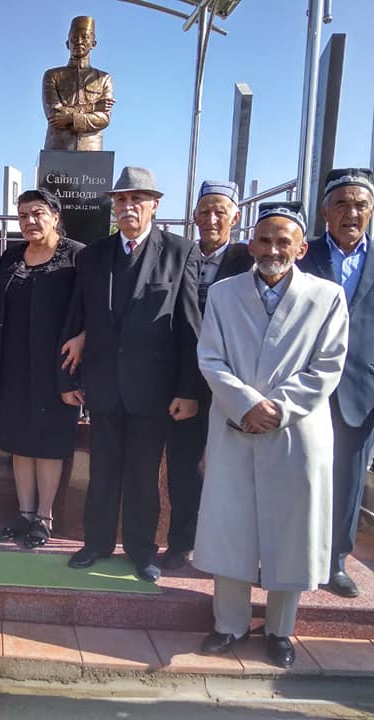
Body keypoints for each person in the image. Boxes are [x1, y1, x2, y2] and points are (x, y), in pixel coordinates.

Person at [194, 201, 349, 668]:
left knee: (292, 530)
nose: (273, 249)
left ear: (301, 249)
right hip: (235, 424)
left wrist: (277, 408)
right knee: (231, 526)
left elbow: (328, 366)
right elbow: (210, 358)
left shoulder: (327, 296)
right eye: (264, 240)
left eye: (284, 241)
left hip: (296, 430)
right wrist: (246, 404)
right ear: (250, 244)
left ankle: (280, 629)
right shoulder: (223, 294)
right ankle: (229, 624)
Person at [61, 166, 201, 582]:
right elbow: (77, 319)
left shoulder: (180, 252)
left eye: (136, 199)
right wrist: (69, 378)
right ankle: (96, 543)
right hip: (103, 386)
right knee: (102, 472)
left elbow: (190, 328)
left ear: (154, 205)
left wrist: (188, 389)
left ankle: (141, 551)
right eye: (121, 200)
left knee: (143, 476)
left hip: (152, 390)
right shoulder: (93, 255)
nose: (127, 207)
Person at [296, 168, 374, 598]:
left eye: (360, 204)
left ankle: (335, 562)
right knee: (296, 475)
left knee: (347, 481)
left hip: (362, 391)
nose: (351, 213)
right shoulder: (301, 254)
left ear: (372, 210)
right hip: (302, 386)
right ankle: (289, 557)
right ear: (325, 211)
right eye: (342, 204)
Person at [162, 181, 253, 570]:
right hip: (185, 381)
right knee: (182, 466)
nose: (211, 219)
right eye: (204, 211)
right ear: (194, 217)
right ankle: (181, 540)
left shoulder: (249, 258)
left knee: (231, 468)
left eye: (220, 211)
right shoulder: (179, 256)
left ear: (236, 216)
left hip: (234, 382)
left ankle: (230, 546)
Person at [0, 189, 83, 548]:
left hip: (56, 365)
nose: (30, 221)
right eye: (23, 215)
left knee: (47, 442)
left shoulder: (77, 256)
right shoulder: (11, 257)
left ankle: (44, 517)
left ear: (55, 216)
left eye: (38, 213)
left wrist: (84, 338)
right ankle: (24, 513)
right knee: (19, 439)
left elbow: (95, 307)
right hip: (13, 363)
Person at [42, 15, 114, 151]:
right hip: (58, 147)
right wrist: (93, 107)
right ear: (67, 44)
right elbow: (54, 114)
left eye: (85, 37)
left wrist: (70, 118)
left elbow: (104, 118)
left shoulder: (103, 78)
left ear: (93, 43)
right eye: (74, 37)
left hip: (91, 148)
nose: (79, 41)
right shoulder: (52, 75)